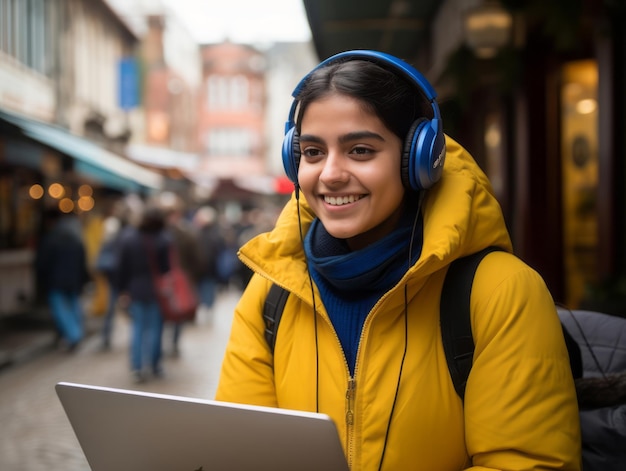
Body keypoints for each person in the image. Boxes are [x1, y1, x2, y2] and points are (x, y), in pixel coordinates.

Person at [215, 50, 581, 470]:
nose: (330, 173)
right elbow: (240, 451)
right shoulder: (271, 291)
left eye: (360, 150)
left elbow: (528, 463)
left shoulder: (501, 291)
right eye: (313, 152)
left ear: (418, 160)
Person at [116, 205, 170, 383]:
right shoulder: (163, 239)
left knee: (138, 328)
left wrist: (122, 289)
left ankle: (137, 367)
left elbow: (122, 267)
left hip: (135, 289)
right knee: (155, 328)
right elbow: (167, 269)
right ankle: (154, 364)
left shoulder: (129, 238)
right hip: (156, 290)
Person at [35, 208, 90, 352]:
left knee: (60, 309)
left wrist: (42, 281)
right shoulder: (75, 236)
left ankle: (73, 336)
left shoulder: (50, 237)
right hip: (73, 280)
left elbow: (42, 263)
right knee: (74, 307)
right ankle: (76, 334)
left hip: (56, 281)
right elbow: (83, 260)